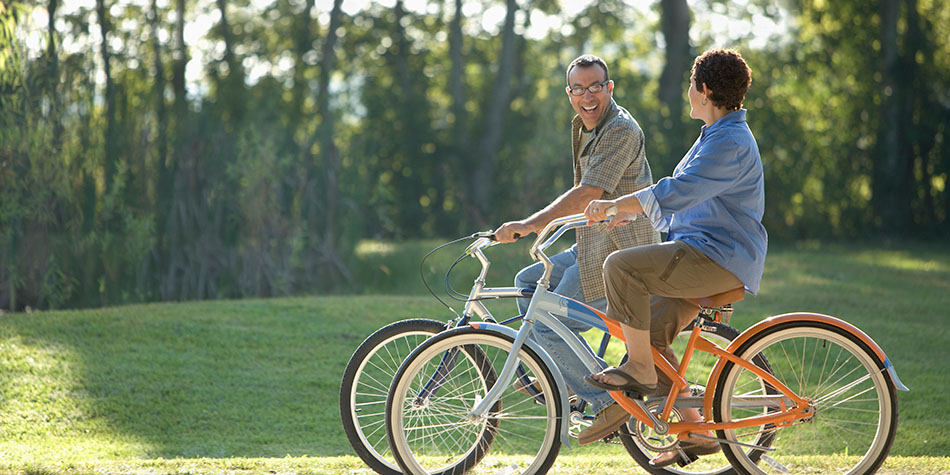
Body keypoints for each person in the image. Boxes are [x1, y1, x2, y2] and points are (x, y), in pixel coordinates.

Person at [583, 48, 767, 468]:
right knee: (649, 332)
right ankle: (697, 429)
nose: (688, 92)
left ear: (703, 90)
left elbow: (676, 191)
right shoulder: (717, 134)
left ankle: (640, 373)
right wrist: (624, 214)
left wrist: (615, 205)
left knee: (621, 266)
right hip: (703, 253)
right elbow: (686, 200)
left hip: (717, 258)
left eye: (690, 85)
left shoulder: (729, 142)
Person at [493, 54, 659, 445]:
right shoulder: (585, 126)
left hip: (620, 256)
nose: (588, 95)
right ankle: (567, 376)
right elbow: (587, 202)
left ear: (610, 88)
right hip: (594, 246)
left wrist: (530, 225)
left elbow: (589, 193)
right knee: (528, 283)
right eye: (579, 88)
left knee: (552, 327)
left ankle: (608, 402)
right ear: (569, 93)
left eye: (596, 86)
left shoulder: (619, 129)